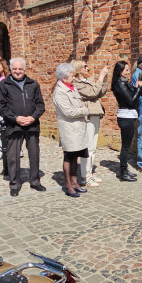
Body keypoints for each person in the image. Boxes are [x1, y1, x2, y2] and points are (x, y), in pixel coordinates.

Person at [0, 57, 46, 197]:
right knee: (13, 157)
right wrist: (15, 118)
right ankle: (15, 184)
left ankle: (35, 181)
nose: (18, 71)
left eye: (20, 69)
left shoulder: (33, 84)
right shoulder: (4, 85)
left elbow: (40, 105)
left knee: (34, 154)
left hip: (32, 125)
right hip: (13, 125)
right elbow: (0, 106)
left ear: (25, 69)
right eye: (15, 69)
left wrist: (32, 117)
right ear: (10, 69)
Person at [54, 63, 91, 197]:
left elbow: (79, 104)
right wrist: (84, 110)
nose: (74, 78)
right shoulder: (60, 91)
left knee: (76, 156)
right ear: (63, 78)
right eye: (71, 75)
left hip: (78, 129)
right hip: (69, 130)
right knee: (69, 157)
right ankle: (68, 185)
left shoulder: (72, 87)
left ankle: (75, 182)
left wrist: (81, 109)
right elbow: (68, 111)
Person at [72, 59, 109, 187]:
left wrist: (104, 80)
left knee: (93, 147)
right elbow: (92, 93)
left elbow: (100, 92)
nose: (88, 68)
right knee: (87, 147)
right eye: (85, 66)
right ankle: (84, 176)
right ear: (78, 69)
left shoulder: (89, 80)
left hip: (95, 114)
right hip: (87, 117)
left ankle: (90, 174)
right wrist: (100, 77)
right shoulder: (77, 83)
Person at [111, 60, 142, 182]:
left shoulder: (124, 83)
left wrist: (136, 88)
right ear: (120, 72)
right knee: (125, 147)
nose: (129, 72)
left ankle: (124, 170)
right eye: (127, 70)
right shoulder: (120, 84)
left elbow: (131, 97)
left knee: (127, 146)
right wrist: (139, 89)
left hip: (129, 116)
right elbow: (131, 101)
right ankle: (123, 172)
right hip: (126, 116)